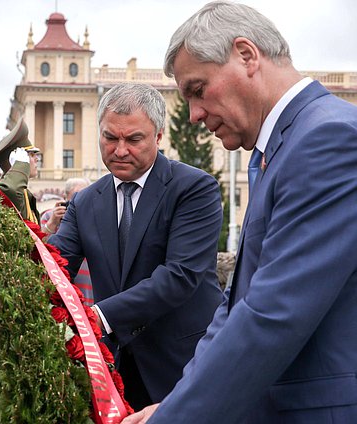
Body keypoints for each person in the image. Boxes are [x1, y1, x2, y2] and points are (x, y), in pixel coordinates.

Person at [123, 2, 357, 423]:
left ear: (247, 56)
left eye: (197, 89)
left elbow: (273, 313)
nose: (193, 115)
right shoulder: (277, 149)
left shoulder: (326, 139)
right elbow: (235, 308)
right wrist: (173, 405)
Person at [48, 82, 224, 411]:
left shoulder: (194, 188)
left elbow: (180, 275)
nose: (119, 150)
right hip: (116, 372)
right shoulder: (85, 201)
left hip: (184, 366)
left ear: (158, 136)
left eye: (134, 139)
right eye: (110, 137)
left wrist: (98, 316)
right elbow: (55, 266)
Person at [41, 177, 94, 304]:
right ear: (65, 198)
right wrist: (52, 223)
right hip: (62, 279)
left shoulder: (94, 215)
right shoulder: (50, 216)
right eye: (75, 197)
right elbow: (41, 248)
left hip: (89, 283)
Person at [0, 118, 41, 223]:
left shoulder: (24, 193)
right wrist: (19, 166)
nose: (36, 159)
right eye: (31, 154)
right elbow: (10, 190)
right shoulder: (8, 192)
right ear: (16, 160)